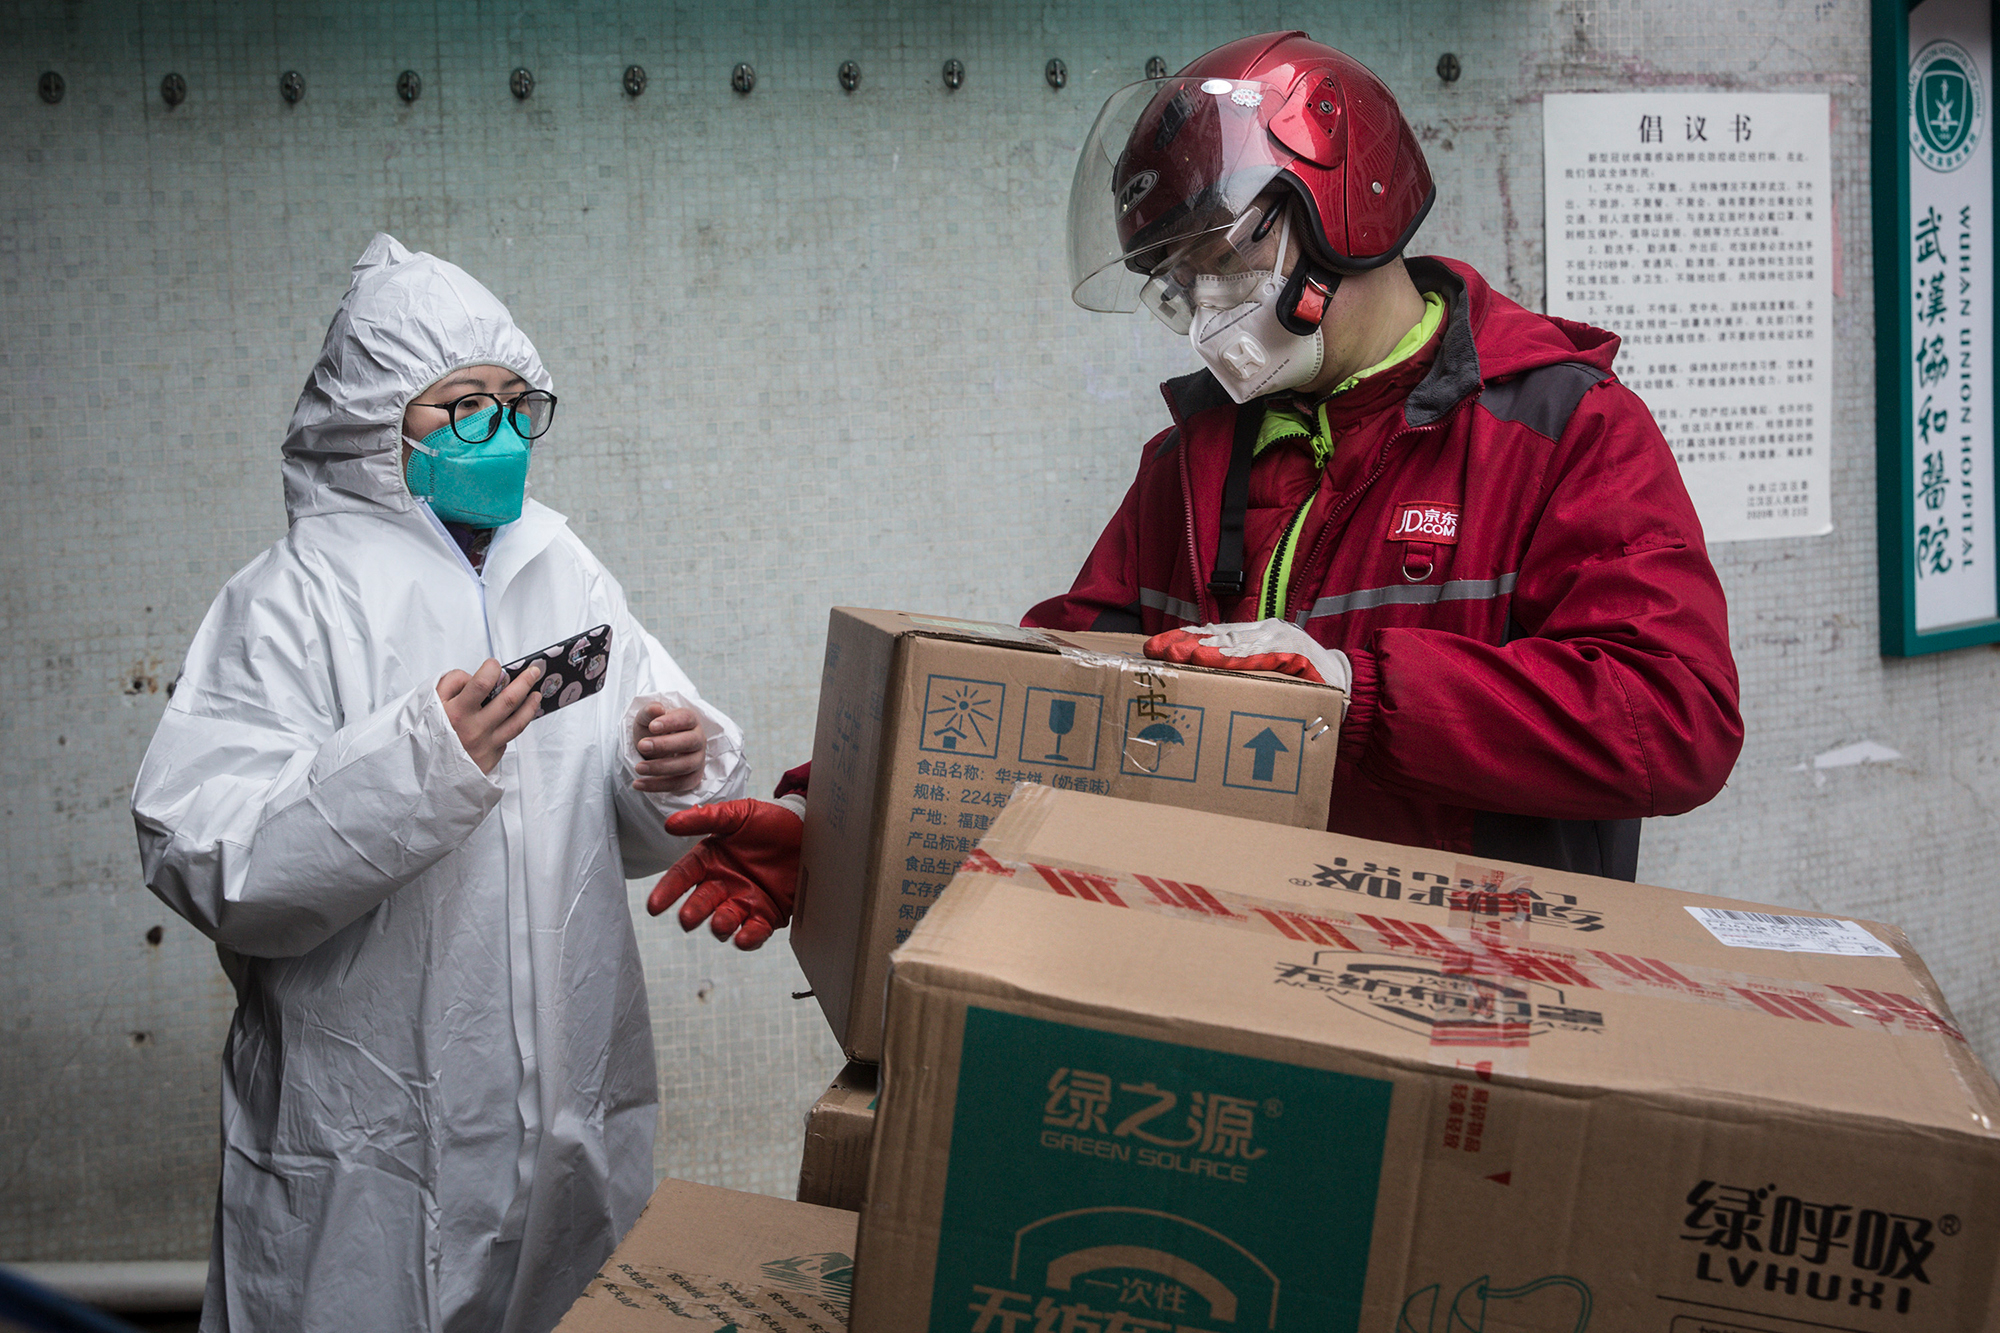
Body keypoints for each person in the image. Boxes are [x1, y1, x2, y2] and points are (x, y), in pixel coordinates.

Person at [649, 30, 1745, 951]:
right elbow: (1052, 688)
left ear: (1339, 206)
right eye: (1174, 283)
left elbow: (1674, 717)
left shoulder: (1560, 429)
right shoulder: (1191, 467)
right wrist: (837, 823)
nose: (1202, 305)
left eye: (1217, 257)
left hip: (1472, 993)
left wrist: (1354, 696)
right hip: (1240, 977)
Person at [131, 234, 748, 1333]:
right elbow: (204, 853)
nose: (498, 433)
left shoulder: (562, 563)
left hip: (563, 1119)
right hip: (368, 1142)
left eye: (517, 404)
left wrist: (670, 762)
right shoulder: (291, 600)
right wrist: (420, 769)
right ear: (374, 424)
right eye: (461, 407)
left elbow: (651, 809)